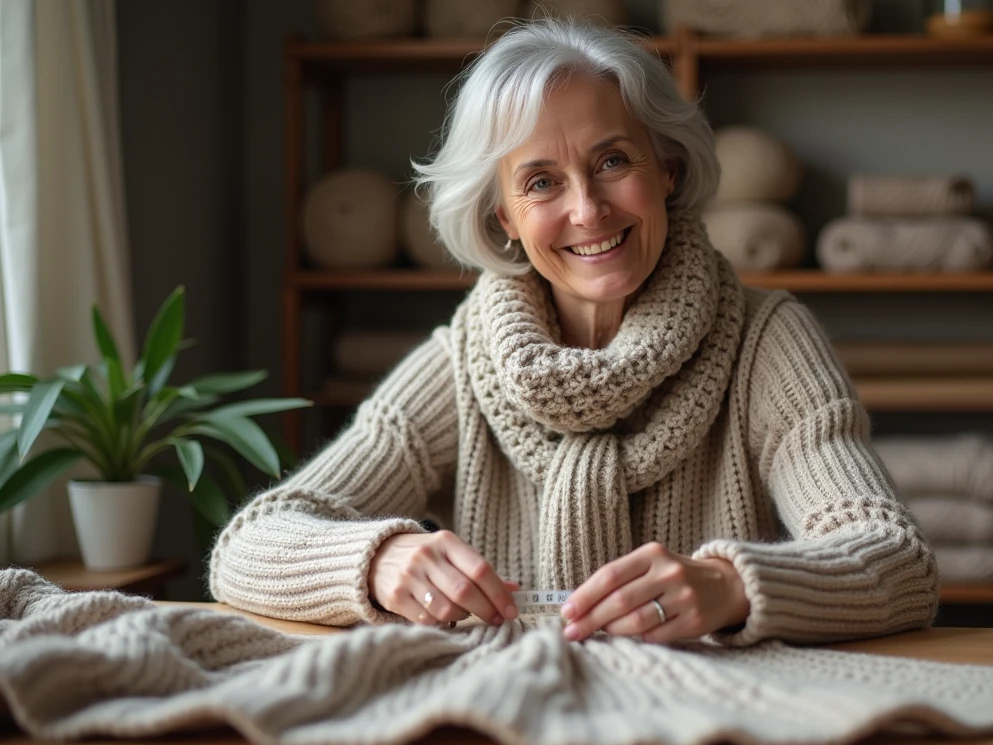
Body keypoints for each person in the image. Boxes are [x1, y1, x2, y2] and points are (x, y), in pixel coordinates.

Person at [208, 18, 938, 646]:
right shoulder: (462, 360)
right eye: (540, 182)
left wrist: (728, 585)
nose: (587, 210)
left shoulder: (768, 339)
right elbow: (248, 547)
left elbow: (896, 561)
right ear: (505, 218)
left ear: (668, 170)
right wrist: (376, 560)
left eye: (613, 161)